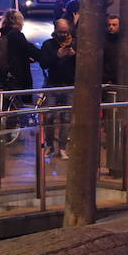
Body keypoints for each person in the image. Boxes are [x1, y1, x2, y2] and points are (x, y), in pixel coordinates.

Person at [38, 19, 76, 158]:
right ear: (55, 30)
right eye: (61, 32)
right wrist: (57, 56)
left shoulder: (74, 44)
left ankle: (62, 147)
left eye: (66, 32)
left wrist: (74, 56)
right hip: (53, 85)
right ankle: (49, 145)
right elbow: (43, 64)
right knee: (49, 117)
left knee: (66, 118)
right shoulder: (48, 45)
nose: (64, 35)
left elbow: (81, 65)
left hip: (69, 85)